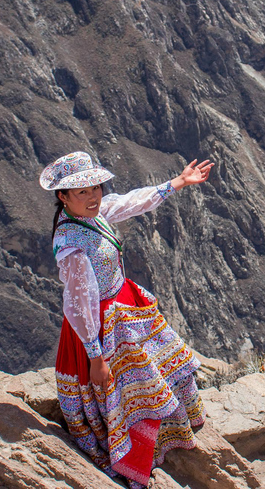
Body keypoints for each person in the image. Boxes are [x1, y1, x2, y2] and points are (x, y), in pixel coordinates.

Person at [39, 151, 214, 488]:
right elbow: (79, 303)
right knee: (125, 394)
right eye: (82, 192)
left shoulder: (90, 214)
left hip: (122, 311)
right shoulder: (70, 245)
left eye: (95, 188)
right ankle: (136, 457)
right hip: (100, 327)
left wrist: (176, 183)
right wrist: (95, 357)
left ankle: (162, 435)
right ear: (63, 197)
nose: (93, 197)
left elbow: (129, 203)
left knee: (146, 380)